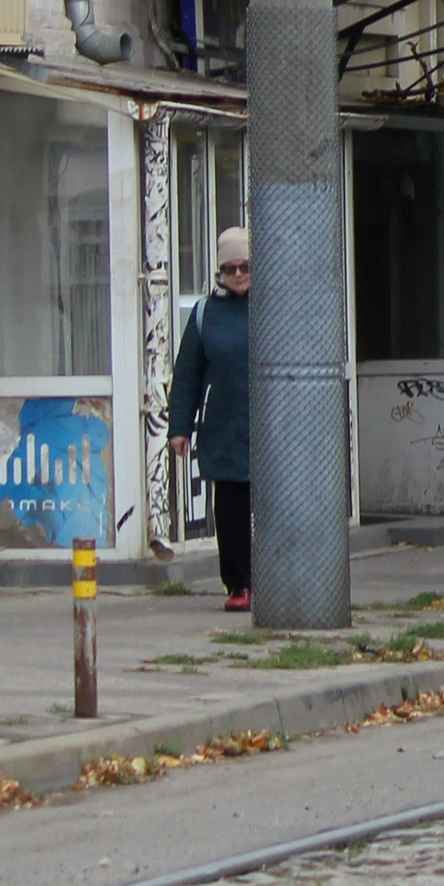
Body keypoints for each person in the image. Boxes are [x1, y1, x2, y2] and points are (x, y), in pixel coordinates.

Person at [169, 226, 252, 610]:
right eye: (229, 268)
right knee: (231, 510)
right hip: (224, 428)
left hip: (274, 431)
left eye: (245, 266)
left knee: (276, 510)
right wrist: (179, 428)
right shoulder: (206, 314)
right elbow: (187, 374)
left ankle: (277, 578)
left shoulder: (276, 308)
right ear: (220, 271)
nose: (237, 274)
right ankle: (238, 585)